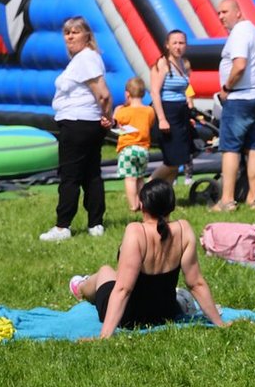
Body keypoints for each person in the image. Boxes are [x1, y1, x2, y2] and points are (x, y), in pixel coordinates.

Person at [70, 178, 227, 336]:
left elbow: (123, 289)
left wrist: (104, 337)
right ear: (171, 205)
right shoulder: (183, 229)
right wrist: (220, 324)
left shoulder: (136, 231)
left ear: (143, 205)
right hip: (166, 313)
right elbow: (196, 283)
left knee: (105, 271)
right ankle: (83, 284)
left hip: (129, 318)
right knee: (120, 276)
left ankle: (80, 287)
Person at [41, 17, 112, 242]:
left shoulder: (86, 59)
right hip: (86, 122)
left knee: (70, 176)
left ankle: (63, 226)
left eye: (75, 32)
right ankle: (96, 223)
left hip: (77, 122)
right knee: (91, 174)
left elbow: (103, 93)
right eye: (67, 33)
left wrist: (107, 116)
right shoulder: (86, 59)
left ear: (87, 36)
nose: (70, 36)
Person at [213, 0, 255, 212]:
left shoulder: (239, 33)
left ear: (238, 12)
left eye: (225, 11)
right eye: (218, 13)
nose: (221, 17)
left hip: (240, 97)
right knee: (253, 147)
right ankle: (252, 199)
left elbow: (239, 65)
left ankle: (227, 199)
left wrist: (226, 88)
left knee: (230, 148)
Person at [149, 29, 192, 186]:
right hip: (168, 112)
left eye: (181, 43)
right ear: (167, 45)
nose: (178, 46)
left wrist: (189, 103)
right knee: (172, 161)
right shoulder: (164, 63)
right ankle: (149, 186)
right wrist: (162, 119)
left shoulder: (183, 64)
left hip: (181, 112)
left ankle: (166, 195)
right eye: (174, 43)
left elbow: (186, 88)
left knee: (180, 158)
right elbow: (155, 92)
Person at [113, 77, 155, 212]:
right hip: (143, 149)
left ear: (127, 94)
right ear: (143, 93)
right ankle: (143, 203)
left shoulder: (122, 111)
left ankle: (133, 205)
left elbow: (115, 124)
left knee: (130, 179)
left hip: (127, 149)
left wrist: (117, 111)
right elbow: (150, 124)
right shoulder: (149, 110)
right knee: (140, 177)